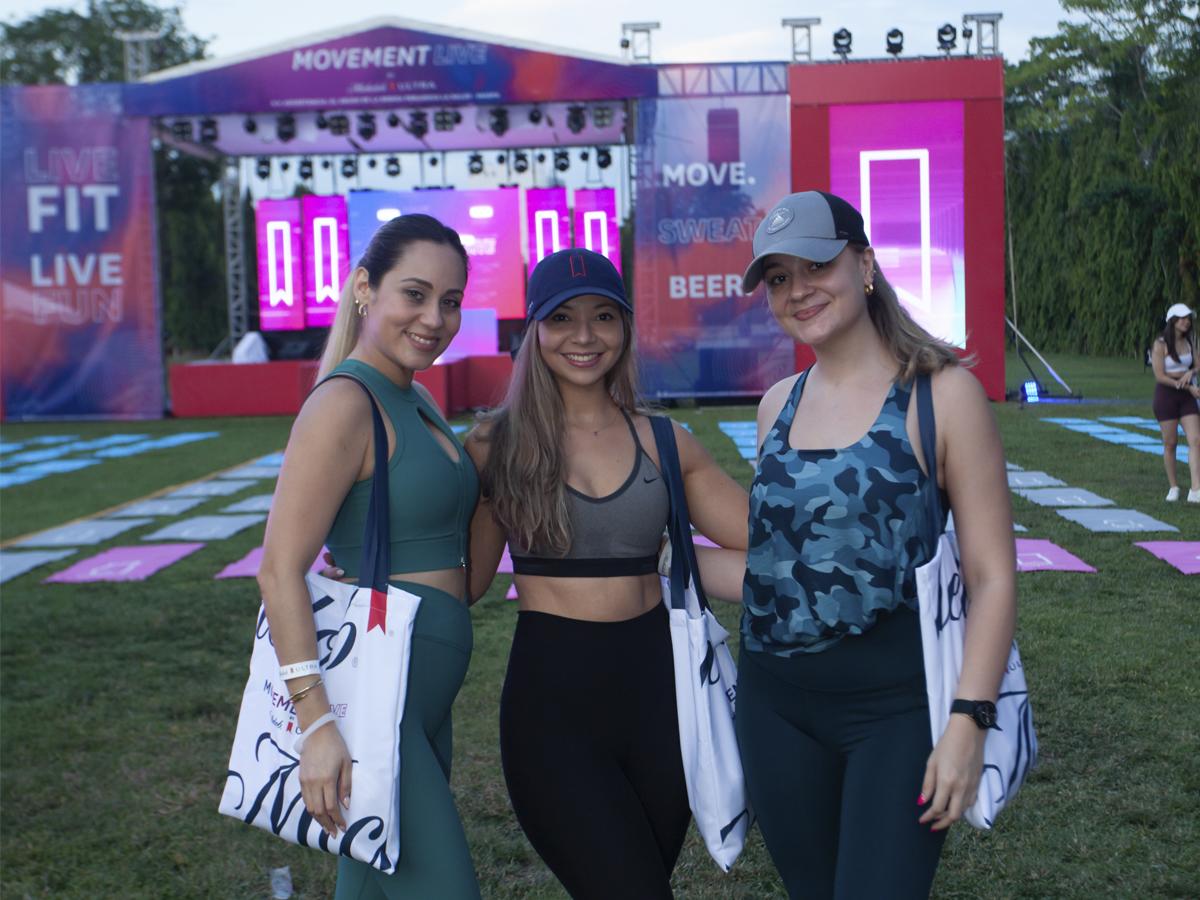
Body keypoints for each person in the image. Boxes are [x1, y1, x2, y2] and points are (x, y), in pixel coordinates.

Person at [735, 191, 1019, 899]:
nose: (797, 291)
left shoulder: (942, 396)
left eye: (816, 266)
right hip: (775, 708)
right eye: (777, 278)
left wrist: (968, 721)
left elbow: (992, 578)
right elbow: (778, 570)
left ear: (864, 264)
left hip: (895, 713)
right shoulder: (778, 403)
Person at [463, 248, 748, 900]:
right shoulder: (492, 445)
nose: (585, 336)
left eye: (602, 317)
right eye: (561, 318)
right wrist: (371, 570)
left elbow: (767, 544)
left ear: (624, 327)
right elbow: (466, 580)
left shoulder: (664, 442)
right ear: (532, 332)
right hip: (552, 711)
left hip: (663, 704)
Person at [257, 214, 482, 899]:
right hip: (380, 700)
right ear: (364, 289)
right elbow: (278, 566)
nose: (434, 318)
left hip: (419, 696)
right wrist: (317, 722)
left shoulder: (414, 399)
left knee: (371, 889)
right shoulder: (345, 403)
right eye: (414, 294)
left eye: (449, 302)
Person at [1149, 302, 1200, 502]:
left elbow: (1198, 364)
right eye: (1182, 318)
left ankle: (1196, 489)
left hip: (1186, 399)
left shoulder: (1190, 341)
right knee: (1170, 443)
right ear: (1173, 321)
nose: (1186, 322)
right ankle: (1174, 487)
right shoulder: (1160, 344)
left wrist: (1191, 372)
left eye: (1188, 318)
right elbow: (1160, 376)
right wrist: (1186, 384)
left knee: (1196, 440)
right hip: (1166, 397)